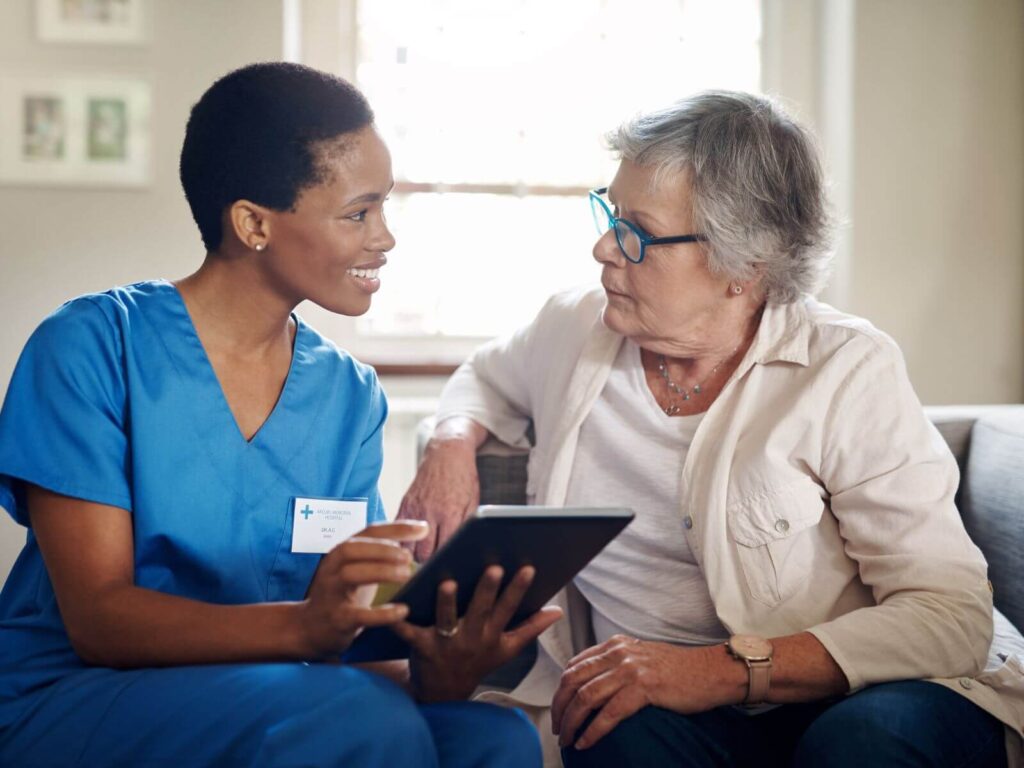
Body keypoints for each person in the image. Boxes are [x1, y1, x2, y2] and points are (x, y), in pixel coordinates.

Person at [398, 91, 1024, 767]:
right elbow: (484, 378)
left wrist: (716, 670)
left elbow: (949, 616)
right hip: (685, 714)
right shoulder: (572, 327)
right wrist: (451, 444)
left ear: (744, 268)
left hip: (863, 694)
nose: (603, 246)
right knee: (604, 727)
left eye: (636, 231)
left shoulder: (845, 367)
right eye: (608, 212)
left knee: (860, 744)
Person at [0, 62, 561, 768]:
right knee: (355, 719)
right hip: (79, 693)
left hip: (288, 694)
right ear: (254, 223)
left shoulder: (348, 393)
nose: (384, 238)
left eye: (384, 207)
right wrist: (304, 629)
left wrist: (438, 665)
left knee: (494, 739)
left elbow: (349, 633)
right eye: (358, 213)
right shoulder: (90, 347)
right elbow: (99, 620)